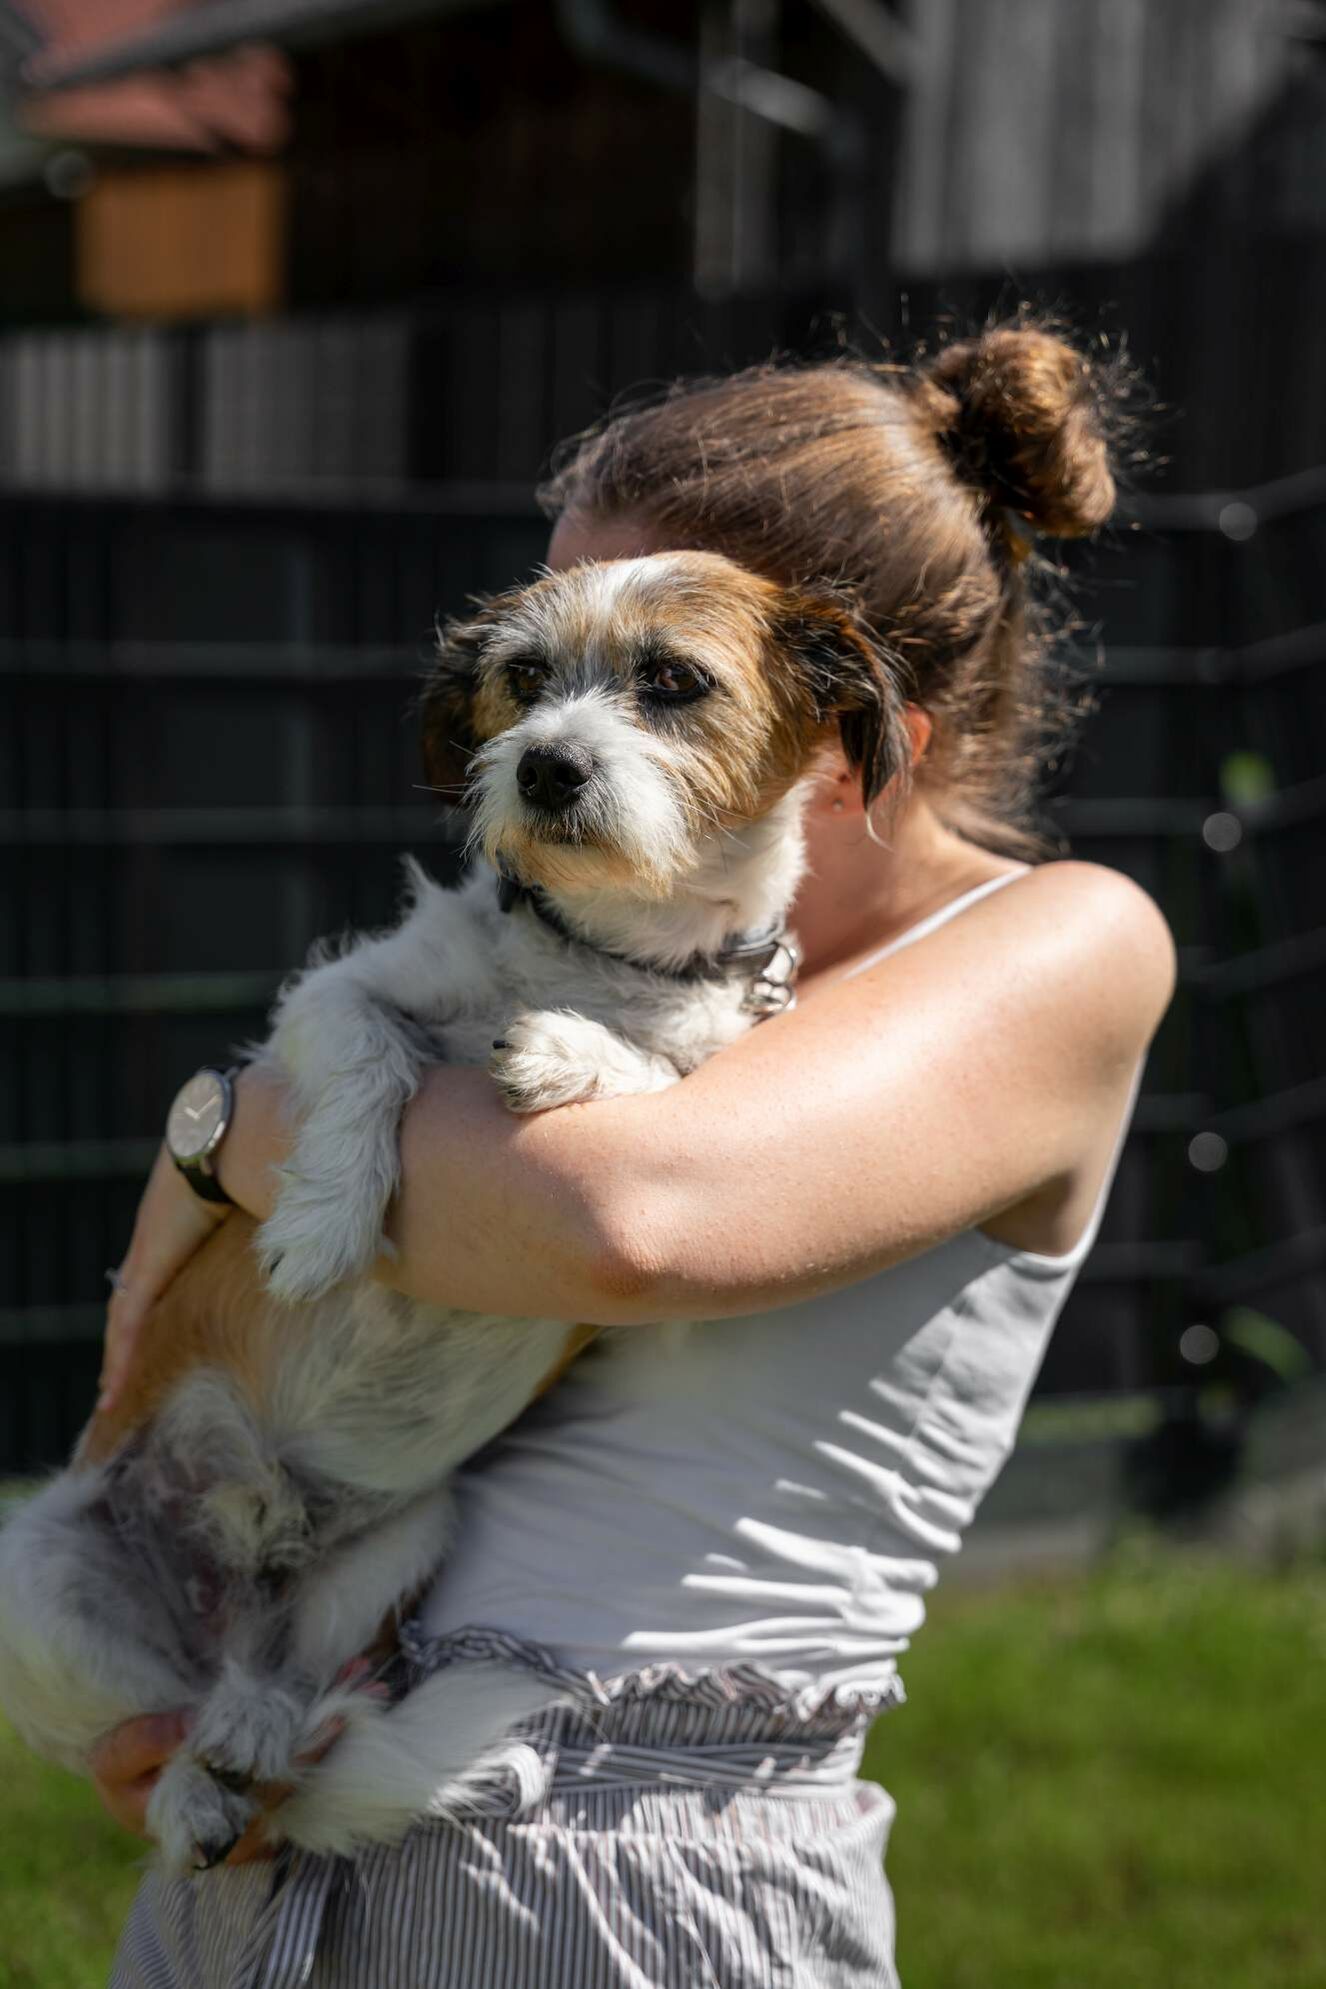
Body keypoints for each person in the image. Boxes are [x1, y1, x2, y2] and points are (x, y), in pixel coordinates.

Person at [93, 322, 1174, 1987]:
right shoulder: (564, 943)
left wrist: (226, 1135)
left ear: (840, 717)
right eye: (542, 659)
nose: (559, 734)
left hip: (629, 1885)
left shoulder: (1063, 944)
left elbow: (610, 1217)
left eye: (661, 672)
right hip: (283, 1804)